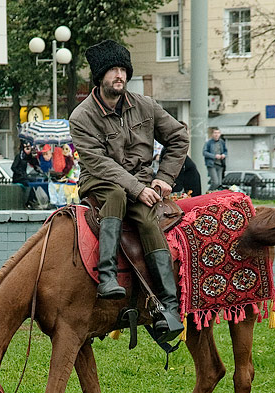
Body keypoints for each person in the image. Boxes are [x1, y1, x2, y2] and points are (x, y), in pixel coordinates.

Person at [70, 39, 189, 342]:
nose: (119, 75)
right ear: (99, 76)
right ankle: (106, 276)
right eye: (113, 70)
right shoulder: (82, 117)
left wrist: (163, 178)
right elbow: (98, 163)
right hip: (100, 181)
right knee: (116, 194)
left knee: (148, 219)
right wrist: (138, 188)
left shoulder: (145, 105)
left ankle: (170, 308)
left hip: (142, 185)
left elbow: (178, 137)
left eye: (123, 69)